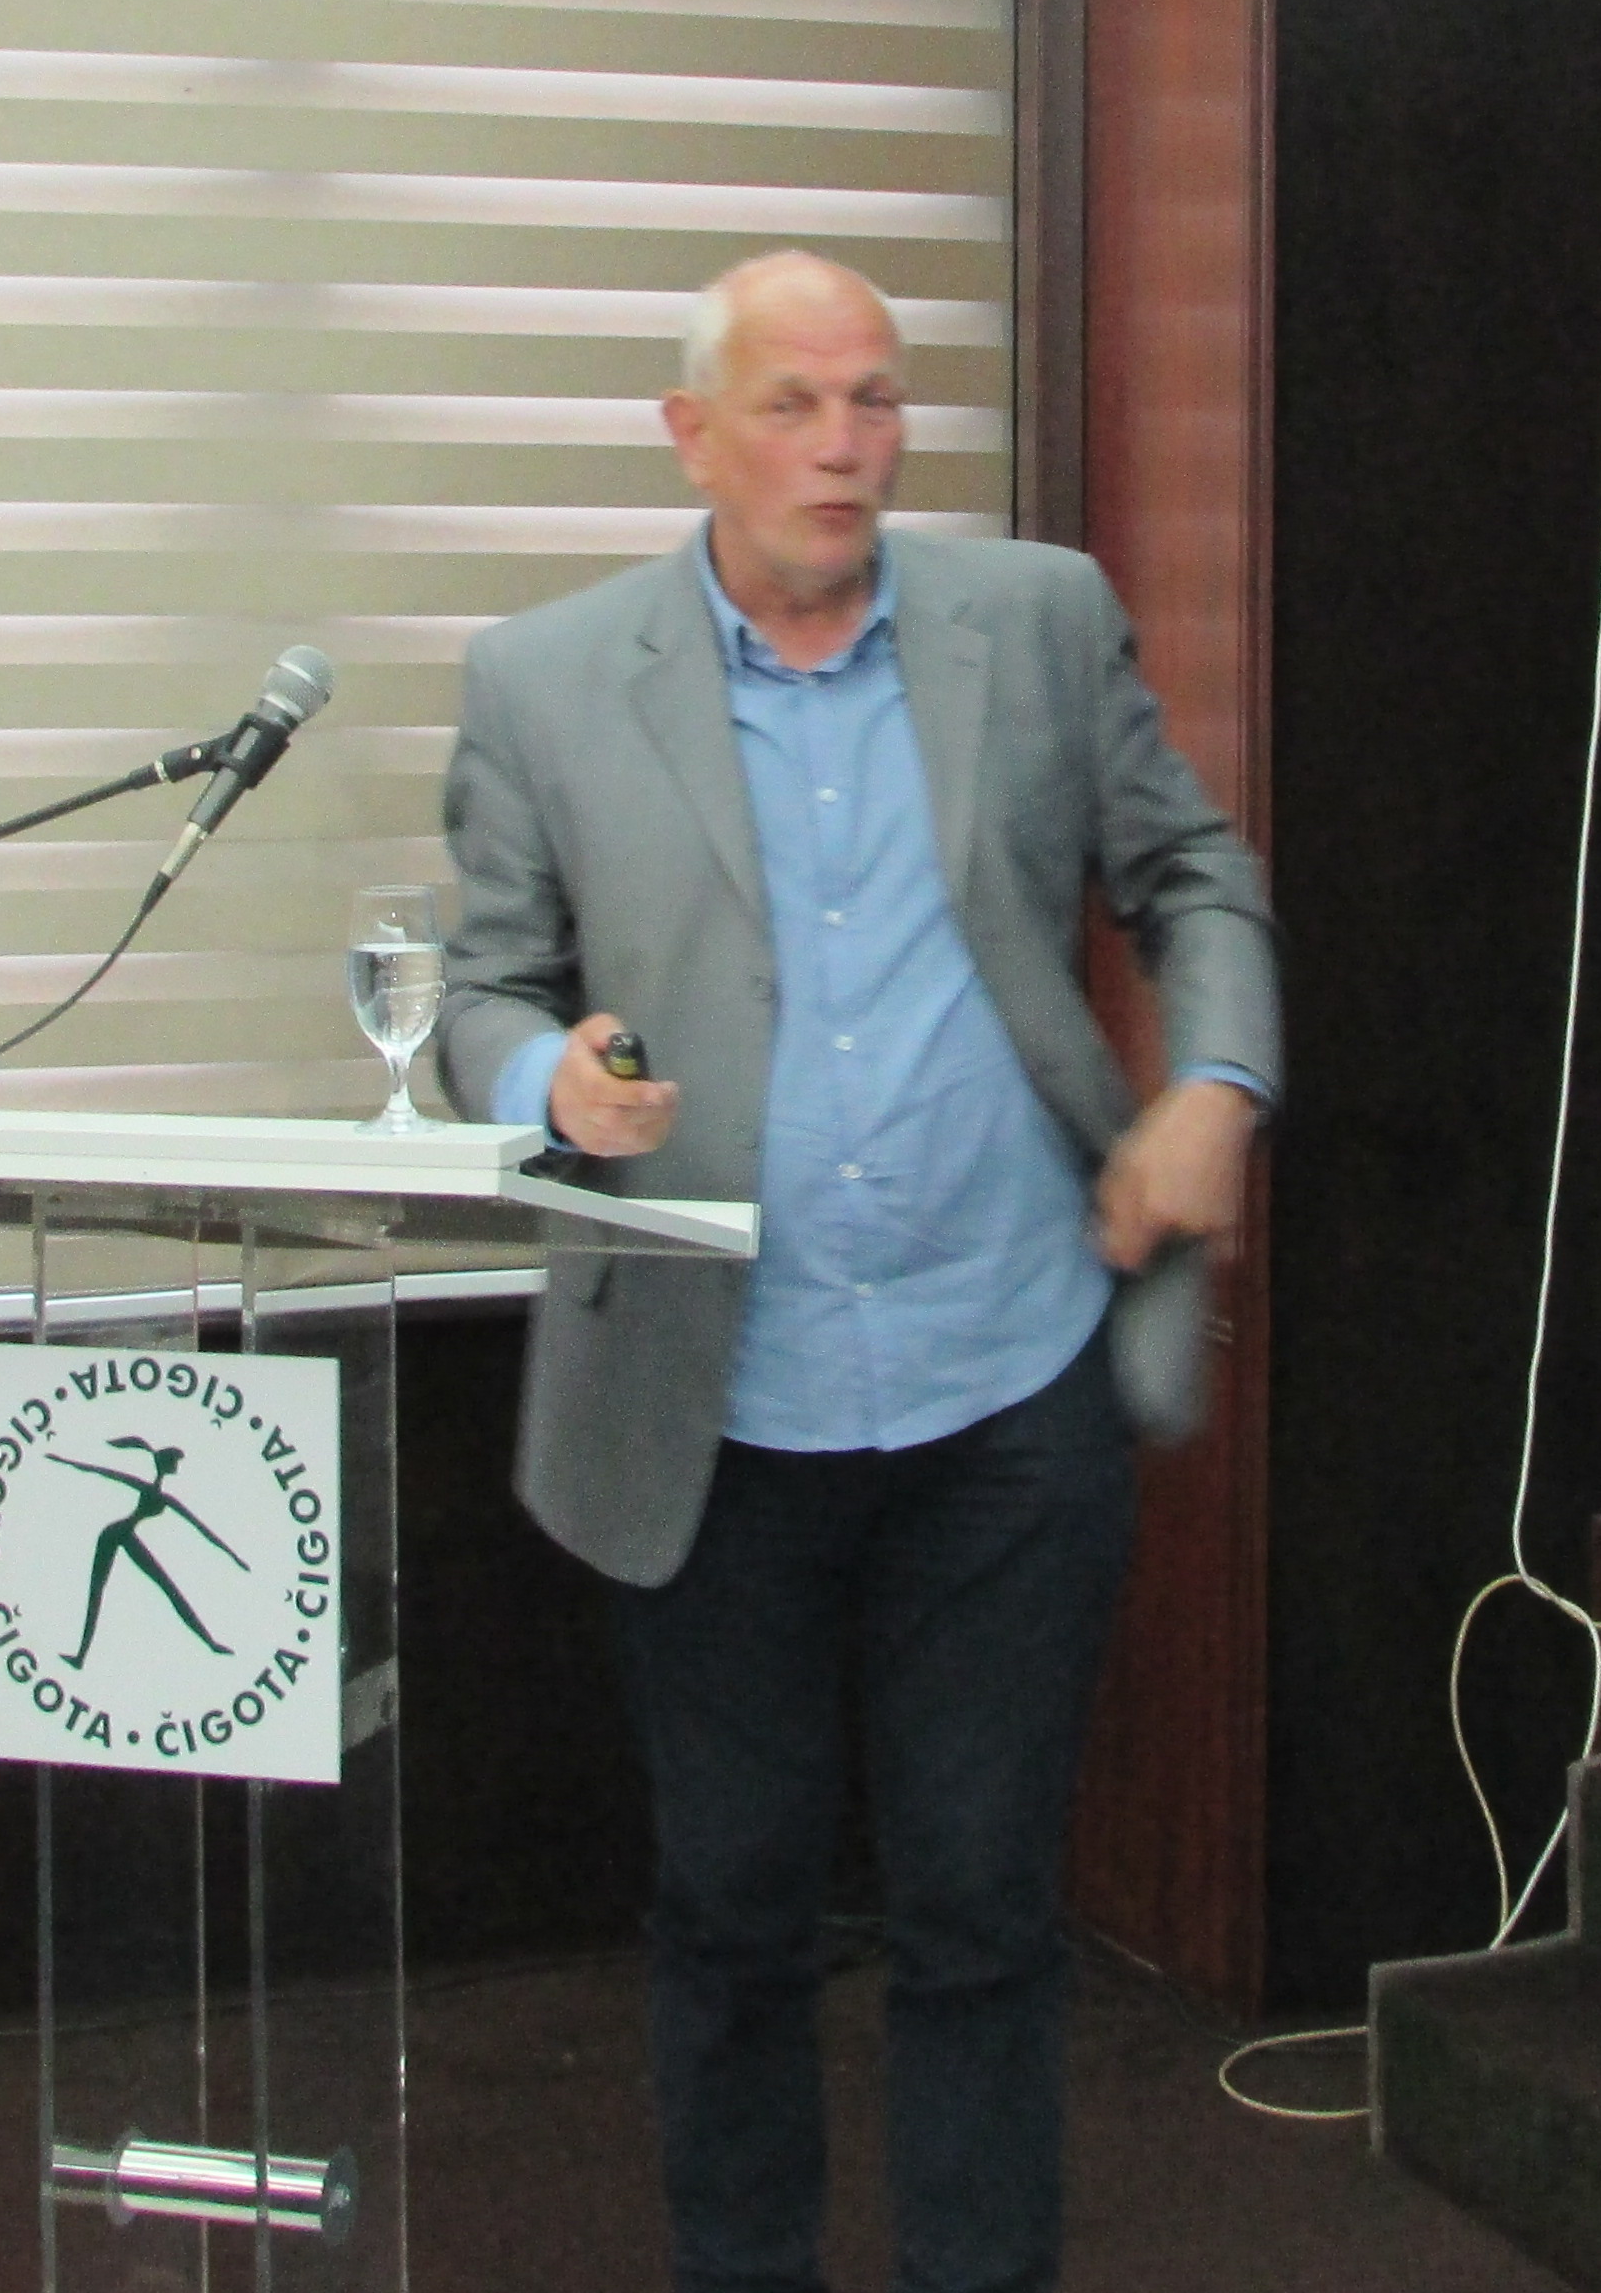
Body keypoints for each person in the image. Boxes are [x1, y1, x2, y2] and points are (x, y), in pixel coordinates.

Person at [440, 248, 1278, 2293]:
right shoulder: (547, 679)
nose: (845, 446)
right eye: (795, 404)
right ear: (692, 436)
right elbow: (480, 988)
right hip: (713, 1405)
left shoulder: (1035, 622)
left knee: (984, 1908)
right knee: (734, 1912)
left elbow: (1191, 874)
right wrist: (553, 1081)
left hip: (1007, 1389)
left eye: (878, 400)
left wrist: (1216, 1086)